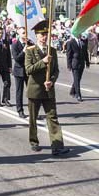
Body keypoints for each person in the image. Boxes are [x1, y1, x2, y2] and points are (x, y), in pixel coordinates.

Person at [25, 20, 69, 155]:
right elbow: (29, 69)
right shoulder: (30, 51)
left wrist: (52, 81)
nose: (44, 37)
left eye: (46, 35)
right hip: (35, 90)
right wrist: (43, 62)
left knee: (53, 117)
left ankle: (57, 145)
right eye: (41, 35)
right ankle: (34, 141)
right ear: (36, 36)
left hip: (48, 90)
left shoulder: (52, 51)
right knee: (33, 118)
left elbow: (55, 71)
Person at [66, 33, 90, 101]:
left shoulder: (83, 42)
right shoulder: (71, 42)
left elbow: (85, 52)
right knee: (76, 79)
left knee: (78, 79)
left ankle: (72, 91)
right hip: (75, 63)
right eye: (78, 33)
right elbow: (68, 54)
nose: (79, 34)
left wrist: (87, 62)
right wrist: (69, 65)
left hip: (82, 63)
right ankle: (78, 94)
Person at [11, 25, 28, 117]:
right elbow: (16, 58)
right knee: (19, 91)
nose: (25, 35)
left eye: (26, 33)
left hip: (28, 70)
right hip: (19, 71)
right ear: (19, 34)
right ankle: (20, 110)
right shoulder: (15, 44)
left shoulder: (29, 43)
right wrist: (24, 51)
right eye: (23, 33)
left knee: (31, 92)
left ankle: (33, 111)